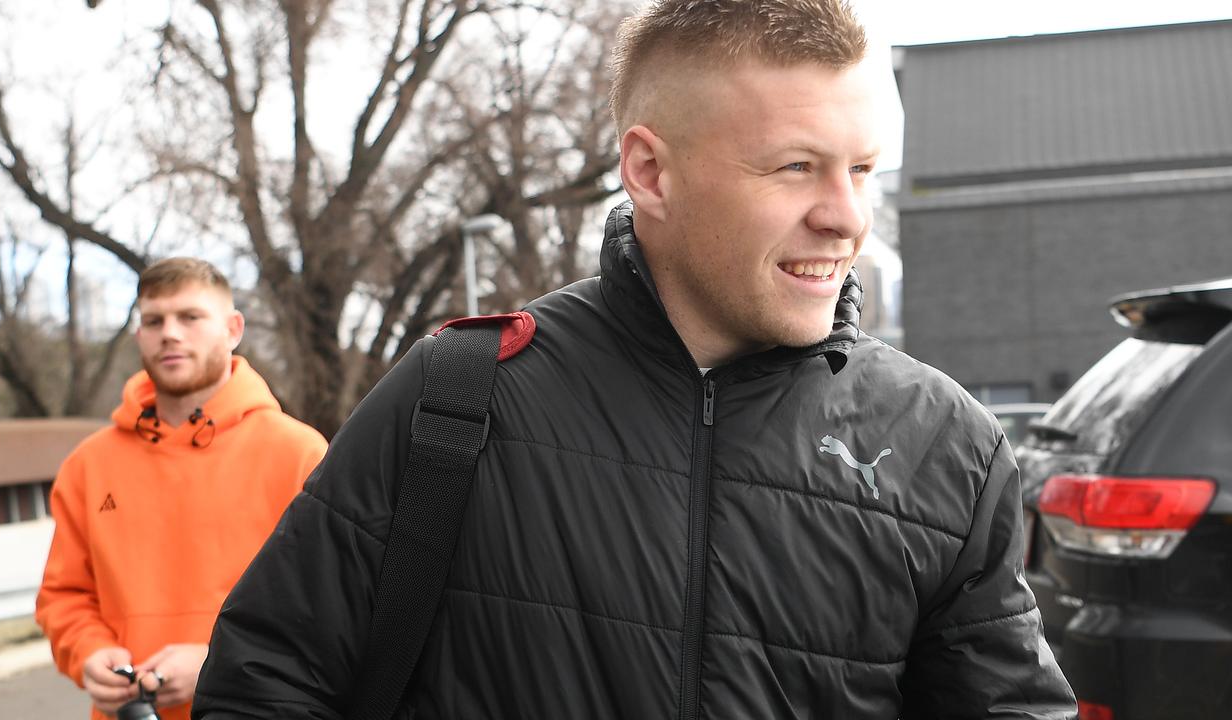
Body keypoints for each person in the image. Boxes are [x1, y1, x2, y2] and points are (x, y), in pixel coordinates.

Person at [195, 1, 1076, 717]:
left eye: (864, 169)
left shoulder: (947, 448)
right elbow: (267, 680)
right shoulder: (458, 400)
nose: (845, 217)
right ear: (651, 173)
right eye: (796, 167)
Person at [35, 258, 327, 720]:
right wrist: (88, 652)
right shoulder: (87, 466)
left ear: (233, 329)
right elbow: (64, 596)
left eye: (190, 317)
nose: (169, 333)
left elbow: (325, 609)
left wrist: (222, 663)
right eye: (153, 321)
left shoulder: (299, 453)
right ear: (139, 336)